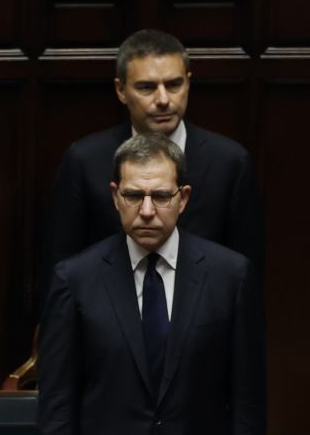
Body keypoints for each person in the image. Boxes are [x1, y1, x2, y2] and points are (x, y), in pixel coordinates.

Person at [37, 133, 265, 435]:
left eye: (160, 196)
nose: (146, 210)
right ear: (114, 195)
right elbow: (57, 403)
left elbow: (248, 398)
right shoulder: (76, 279)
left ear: (184, 197)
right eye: (133, 195)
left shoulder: (230, 276)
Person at [39, 29, 263, 296]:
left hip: (203, 325)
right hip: (109, 320)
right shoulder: (85, 160)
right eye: (147, 87)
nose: (164, 100)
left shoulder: (230, 162)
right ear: (121, 90)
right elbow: (61, 260)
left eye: (174, 84)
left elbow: (247, 273)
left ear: (188, 83)